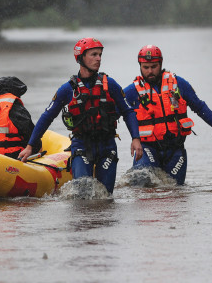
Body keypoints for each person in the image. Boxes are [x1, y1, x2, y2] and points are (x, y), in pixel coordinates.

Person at [23, 38, 142, 195]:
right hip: (81, 146)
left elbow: (128, 111)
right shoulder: (67, 89)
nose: (98, 58)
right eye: (93, 54)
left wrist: (135, 139)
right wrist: (30, 146)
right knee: (81, 193)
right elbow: (47, 116)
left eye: (100, 54)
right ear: (80, 58)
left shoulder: (110, 84)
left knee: (105, 197)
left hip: (107, 146)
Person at [124, 44, 212, 185]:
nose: (150, 71)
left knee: (175, 191)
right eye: (146, 67)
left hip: (175, 148)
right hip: (147, 147)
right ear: (140, 66)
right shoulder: (132, 91)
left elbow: (199, 107)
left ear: (161, 64)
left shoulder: (178, 84)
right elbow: (114, 112)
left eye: (154, 66)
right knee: (142, 182)